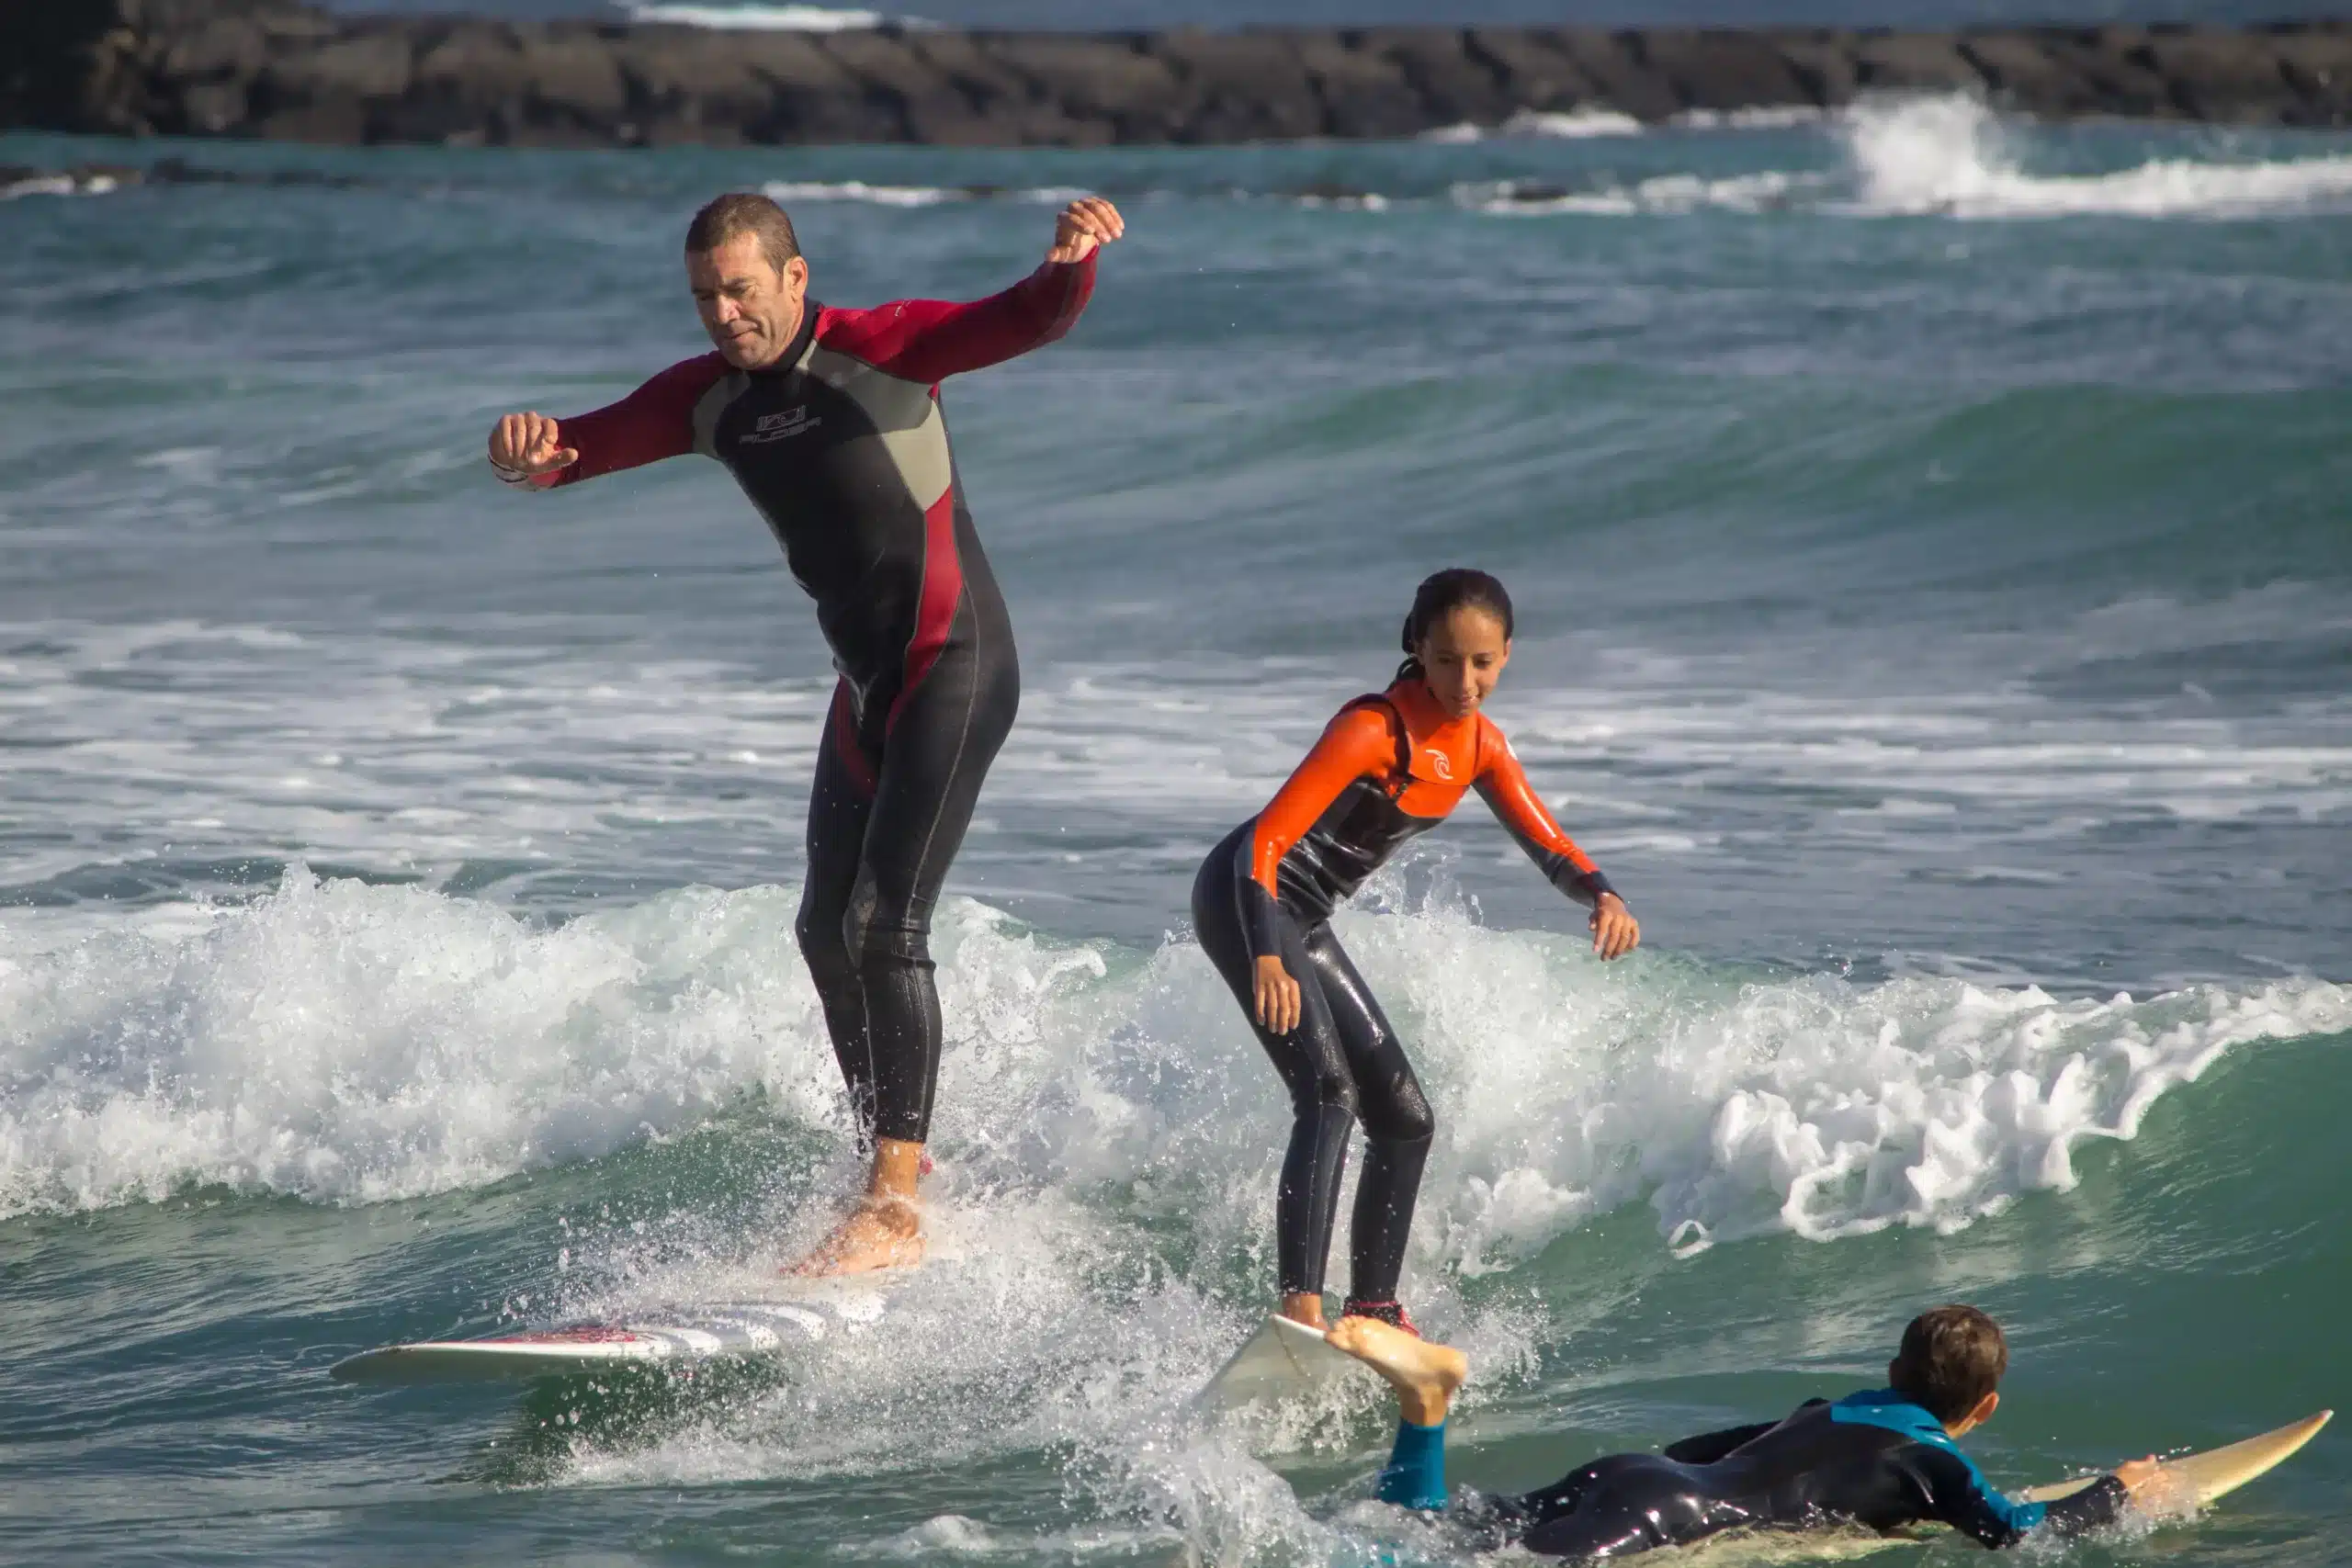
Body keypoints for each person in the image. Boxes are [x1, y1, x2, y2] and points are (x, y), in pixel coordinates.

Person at [484, 190, 1125, 1275]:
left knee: (885, 922)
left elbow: (1026, 318)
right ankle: (892, 1165)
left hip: (955, 665)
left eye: (739, 288)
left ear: (793, 275)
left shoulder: (883, 347)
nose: (723, 313)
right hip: (866, 689)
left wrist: (1069, 265)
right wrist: (525, 454)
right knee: (824, 930)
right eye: (703, 296)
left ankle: (892, 1203)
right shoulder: (705, 402)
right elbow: (578, 452)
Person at [1191, 569, 1640, 1335]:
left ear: (1506, 657)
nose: (1465, 681)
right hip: (1251, 904)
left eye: (1483, 663)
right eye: (1447, 660)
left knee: (1404, 1119)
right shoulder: (1373, 728)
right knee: (1329, 1094)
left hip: (1304, 920)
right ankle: (1300, 1303)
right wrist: (1266, 952)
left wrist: (1603, 892)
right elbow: (1263, 843)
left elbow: (1550, 847)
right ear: (1416, 649)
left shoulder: (1480, 749)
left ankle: (1373, 1308)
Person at [1328, 1303, 2168, 1558]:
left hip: (1636, 1476)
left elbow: (1709, 1451)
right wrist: (2118, 1490)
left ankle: (1427, 1406)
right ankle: (1427, 1400)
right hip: (1667, 1518)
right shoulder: (1937, 1462)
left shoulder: (1828, 1408)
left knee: (1436, 1533)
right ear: (1981, 1408)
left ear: (1894, 1371)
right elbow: (2015, 1531)